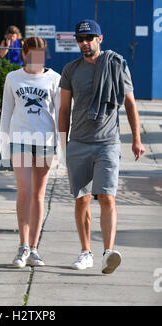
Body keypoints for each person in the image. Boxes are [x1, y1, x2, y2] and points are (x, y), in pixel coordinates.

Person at [59, 20, 145, 274]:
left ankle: (109, 251)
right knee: (81, 199)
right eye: (80, 39)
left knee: (107, 196)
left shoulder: (116, 65)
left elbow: (130, 103)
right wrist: (63, 144)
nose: (84, 42)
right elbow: (64, 110)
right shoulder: (71, 69)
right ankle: (86, 252)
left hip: (107, 142)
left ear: (100, 38)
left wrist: (137, 139)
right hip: (79, 142)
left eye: (89, 37)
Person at [0, 37, 61, 268]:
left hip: (45, 141)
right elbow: (6, 112)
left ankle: (34, 248)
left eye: (41, 54)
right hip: (20, 140)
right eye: (32, 53)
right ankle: (23, 246)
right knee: (24, 191)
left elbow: (61, 115)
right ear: (24, 54)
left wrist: (61, 146)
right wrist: (4, 144)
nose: (37, 58)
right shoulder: (13, 78)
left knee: (38, 195)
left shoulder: (55, 79)